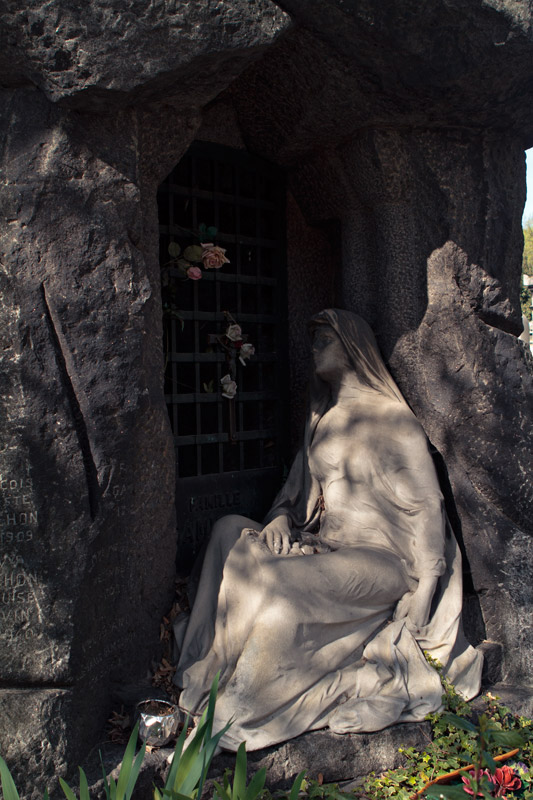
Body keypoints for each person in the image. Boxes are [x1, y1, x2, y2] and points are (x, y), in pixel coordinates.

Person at [174, 309, 482, 751]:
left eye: (324, 340)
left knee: (278, 581)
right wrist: (280, 517)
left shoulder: (394, 421)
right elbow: (300, 492)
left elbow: (428, 508)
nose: (313, 349)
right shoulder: (322, 419)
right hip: (325, 544)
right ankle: (216, 665)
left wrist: (426, 590)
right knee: (227, 531)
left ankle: (244, 701)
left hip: (382, 560)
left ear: (353, 347)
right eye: (313, 340)